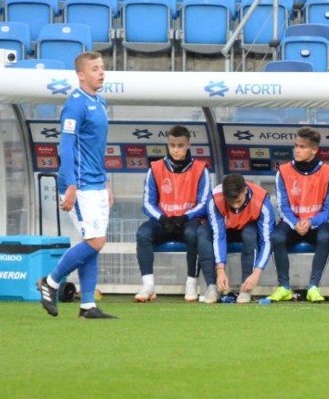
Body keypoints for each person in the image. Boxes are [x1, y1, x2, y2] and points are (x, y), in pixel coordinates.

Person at [37, 51, 115, 319]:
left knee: (91, 241)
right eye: (95, 68)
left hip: (95, 182)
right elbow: (67, 147)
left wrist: (105, 181)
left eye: (102, 67)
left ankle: (88, 305)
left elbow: (96, 148)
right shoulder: (75, 105)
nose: (101, 72)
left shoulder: (100, 101)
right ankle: (51, 282)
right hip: (79, 185)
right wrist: (70, 184)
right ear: (81, 75)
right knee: (95, 241)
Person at [134, 126, 211, 303]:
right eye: (172, 145)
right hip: (164, 220)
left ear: (188, 145)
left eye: (180, 145)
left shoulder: (200, 169)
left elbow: (204, 203)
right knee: (143, 234)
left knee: (194, 234)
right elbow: (147, 202)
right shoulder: (155, 168)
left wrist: (185, 217)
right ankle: (148, 285)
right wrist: (162, 218)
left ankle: (191, 283)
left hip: (188, 220)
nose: (176, 149)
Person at [268, 127, 329, 303]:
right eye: (295, 146)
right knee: (276, 237)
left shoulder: (328, 172)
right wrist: (296, 222)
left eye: (302, 147)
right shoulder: (283, 171)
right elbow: (282, 206)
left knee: (326, 237)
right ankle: (284, 287)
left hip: (317, 223)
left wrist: (311, 221)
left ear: (314, 149)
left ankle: (313, 286)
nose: (297, 150)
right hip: (292, 222)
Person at [198, 173, 275, 303]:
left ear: (245, 190)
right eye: (230, 202)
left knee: (250, 235)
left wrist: (256, 273)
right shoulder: (214, 200)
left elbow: (267, 240)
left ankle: (245, 288)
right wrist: (220, 270)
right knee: (203, 233)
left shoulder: (262, 201)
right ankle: (212, 286)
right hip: (225, 228)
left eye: (238, 201)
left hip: (247, 227)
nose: (235, 206)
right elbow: (219, 236)